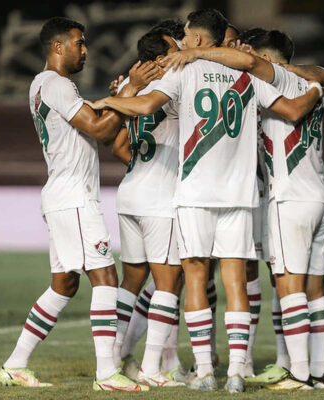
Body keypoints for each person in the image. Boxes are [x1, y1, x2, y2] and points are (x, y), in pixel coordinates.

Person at [85, 8, 324, 393]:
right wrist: (317, 89)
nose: (181, 40)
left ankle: (204, 372)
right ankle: (235, 372)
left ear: (198, 38)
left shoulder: (184, 69)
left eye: (185, 34)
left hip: (194, 193)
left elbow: (146, 107)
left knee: (195, 278)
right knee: (235, 282)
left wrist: (107, 102)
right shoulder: (248, 74)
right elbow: (291, 109)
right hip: (240, 193)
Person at [159, 28, 324, 390]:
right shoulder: (308, 87)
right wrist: (319, 90)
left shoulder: (262, 76)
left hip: (286, 198)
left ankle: (300, 375)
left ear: (268, 59)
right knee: (312, 287)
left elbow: (272, 90)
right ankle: (317, 372)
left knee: (287, 287)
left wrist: (197, 55)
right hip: (321, 196)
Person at [0, 16, 156, 392]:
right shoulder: (56, 84)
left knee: (65, 284)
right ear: (57, 47)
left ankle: (15, 365)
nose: (85, 50)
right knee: (105, 277)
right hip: (74, 197)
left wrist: (121, 97)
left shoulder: (46, 87)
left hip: (62, 195)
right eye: (78, 43)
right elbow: (103, 130)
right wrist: (133, 88)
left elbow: (100, 130)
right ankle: (107, 374)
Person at [109, 29, 188, 388]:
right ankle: (152, 369)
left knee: (132, 280)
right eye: (175, 48)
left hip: (130, 192)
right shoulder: (174, 80)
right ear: (160, 59)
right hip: (159, 199)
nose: (181, 53)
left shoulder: (128, 84)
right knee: (168, 282)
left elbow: (120, 147)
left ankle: (113, 358)